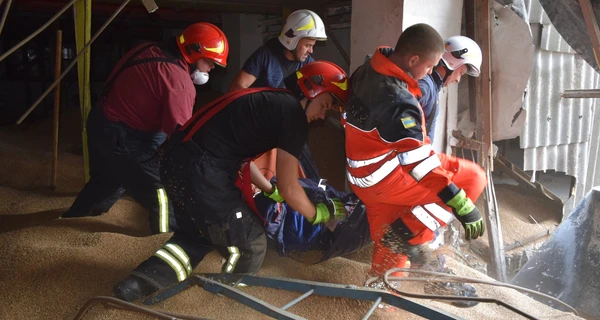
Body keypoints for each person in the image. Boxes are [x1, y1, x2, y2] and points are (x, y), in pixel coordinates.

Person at [113, 61, 350, 302]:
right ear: (312, 91)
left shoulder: (269, 100)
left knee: (198, 235)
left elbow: (241, 158)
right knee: (251, 244)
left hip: (174, 162)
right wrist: (318, 213)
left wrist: (270, 189)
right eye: (326, 104)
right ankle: (225, 304)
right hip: (203, 172)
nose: (322, 115)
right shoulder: (292, 116)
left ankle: (138, 283)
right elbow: (291, 187)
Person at [342, 23, 487, 278]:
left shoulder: (367, 68)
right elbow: (418, 162)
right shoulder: (400, 100)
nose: (429, 74)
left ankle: (382, 300)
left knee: (390, 257)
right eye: (429, 67)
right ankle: (410, 235)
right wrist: (462, 205)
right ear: (413, 59)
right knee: (473, 177)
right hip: (386, 175)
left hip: (361, 176)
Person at [61, 23, 229, 235]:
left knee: (109, 179)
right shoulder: (178, 82)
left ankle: (73, 223)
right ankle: (164, 238)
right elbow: (180, 139)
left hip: (101, 122)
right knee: (162, 190)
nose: (212, 69)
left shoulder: (148, 49)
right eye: (210, 63)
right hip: (122, 137)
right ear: (193, 53)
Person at [229, 9, 329, 182]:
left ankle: (318, 195)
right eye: (307, 45)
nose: (311, 51)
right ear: (292, 40)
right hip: (260, 125)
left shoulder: (307, 64)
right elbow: (237, 88)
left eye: (312, 45)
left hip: (287, 124)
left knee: (309, 171)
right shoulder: (265, 56)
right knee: (251, 174)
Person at [419, 36, 482, 142]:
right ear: (452, 63)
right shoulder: (425, 86)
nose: (458, 80)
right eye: (460, 73)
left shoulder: (432, 86)